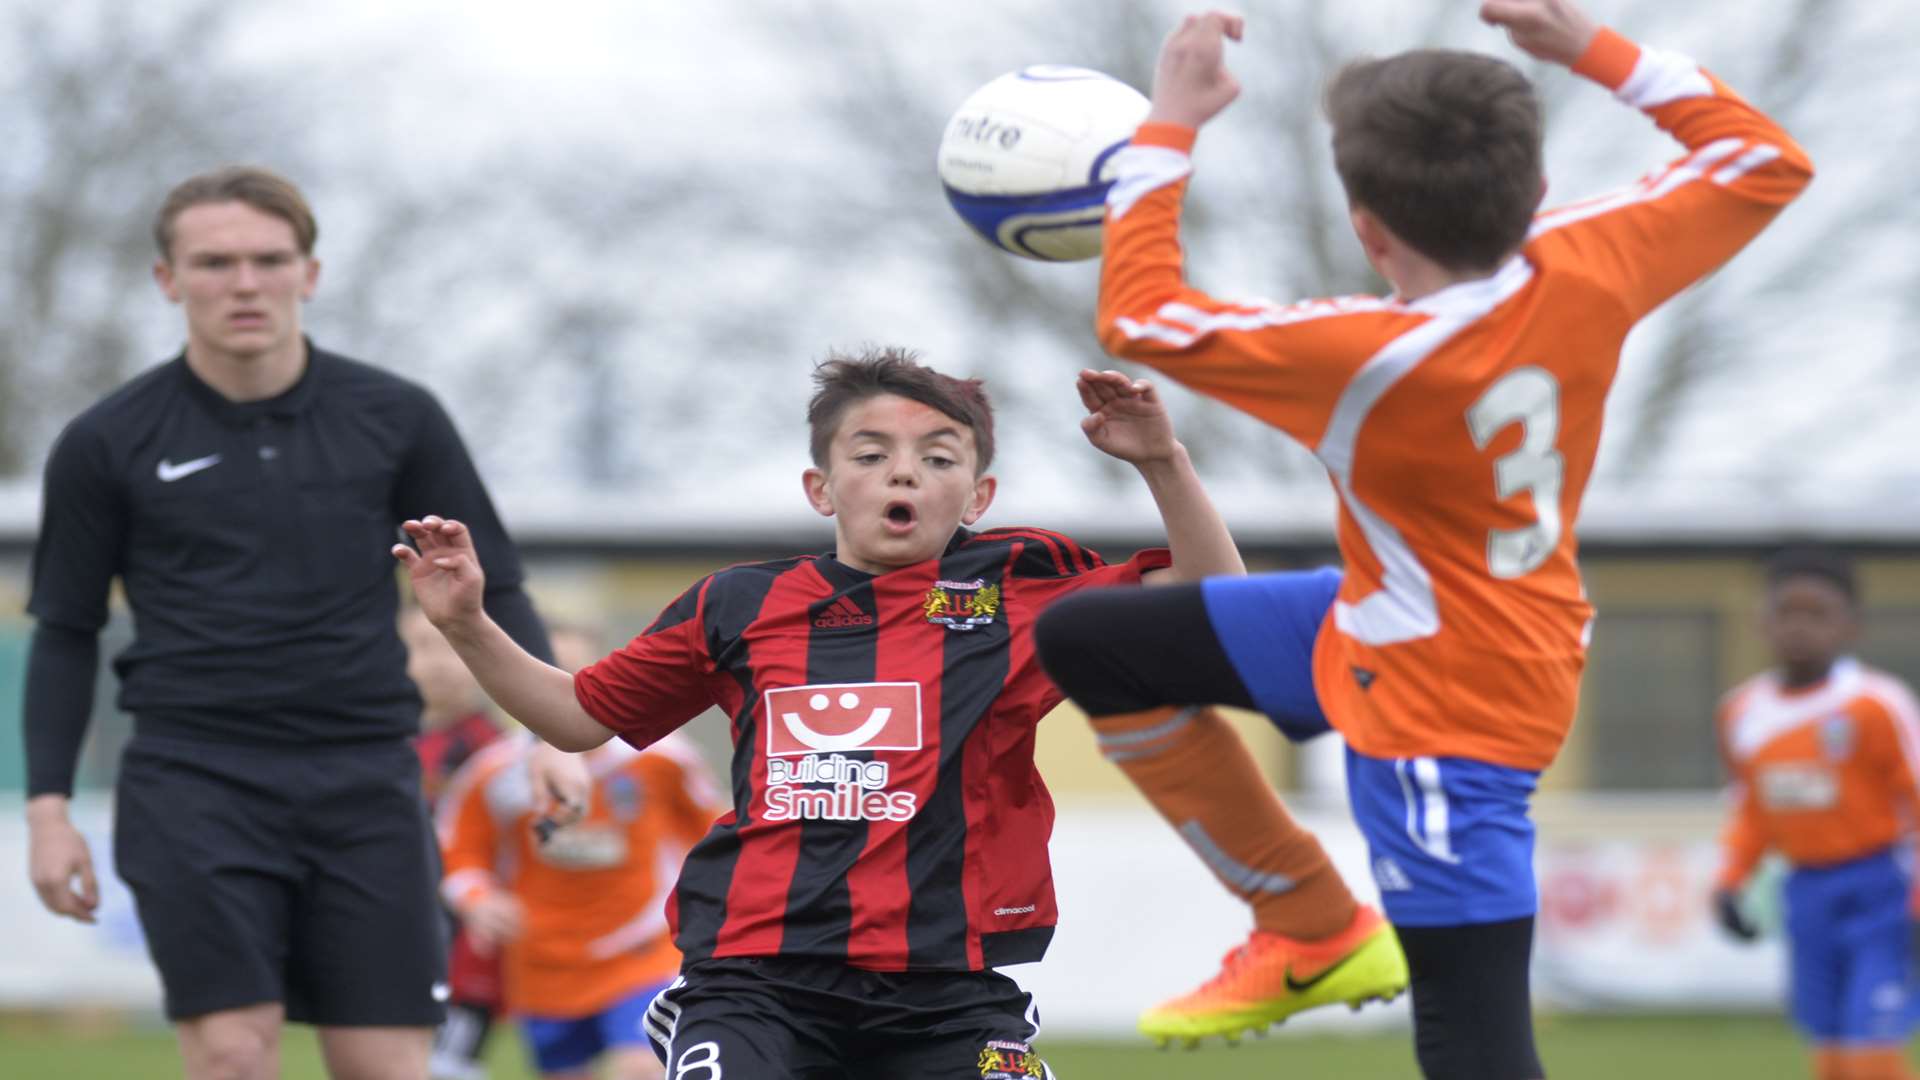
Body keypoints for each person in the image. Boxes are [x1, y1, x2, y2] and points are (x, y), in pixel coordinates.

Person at [1030, 2, 1814, 1076]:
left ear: (1365, 224)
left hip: (1447, 710)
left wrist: (1167, 124)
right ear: (1535, 194)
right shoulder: (1590, 260)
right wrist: (1594, 48)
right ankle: (1309, 923)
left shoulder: (1368, 358)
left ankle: (1319, 932)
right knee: (1090, 640)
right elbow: (1764, 160)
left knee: (1471, 1039)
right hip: (1390, 619)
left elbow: (1141, 319)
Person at [394, 346, 1246, 1079]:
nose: (905, 472)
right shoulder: (738, 605)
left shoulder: (1018, 597)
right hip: (758, 979)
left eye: (940, 458)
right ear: (821, 486)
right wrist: (467, 622)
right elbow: (578, 717)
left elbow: (1216, 609)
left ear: (978, 497)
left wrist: (1163, 461)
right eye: (871, 454)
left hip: (947, 989)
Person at [21, 165, 587, 1080]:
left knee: (386, 1066)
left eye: (267, 259)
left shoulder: (395, 418)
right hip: (192, 782)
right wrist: (49, 810)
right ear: (168, 280)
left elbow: (496, 583)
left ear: (309, 273)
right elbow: (63, 630)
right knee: (234, 1058)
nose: (244, 283)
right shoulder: (107, 441)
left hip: (364, 776)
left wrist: (550, 731)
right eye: (214, 263)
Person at [437, 621, 724, 1080]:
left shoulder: (659, 758)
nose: (563, 694)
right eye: (548, 677)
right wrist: (479, 900)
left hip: (643, 948)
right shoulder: (495, 773)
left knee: (641, 1067)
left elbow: (713, 829)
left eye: (578, 677)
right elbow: (458, 852)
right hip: (543, 963)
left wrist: (710, 908)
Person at [1711, 548, 1920, 1080]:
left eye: (1817, 613)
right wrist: (1729, 880)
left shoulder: (1876, 704)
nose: (1799, 628)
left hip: (1880, 890)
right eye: (1787, 612)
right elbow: (1753, 810)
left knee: (1870, 1047)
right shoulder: (1742, 712)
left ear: (1849, 625)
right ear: (1763, 621)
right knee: (1827, 1048)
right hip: (1805, 891)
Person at [402, 606, 510, 1080]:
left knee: (447, 1063)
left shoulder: (496, 750)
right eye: (421, 648)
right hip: (391, 930)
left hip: (469, 943)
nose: (438, 663)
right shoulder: (381, 743)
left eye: (450, 648)